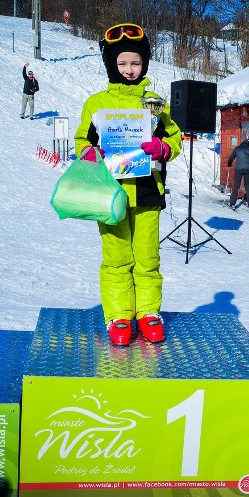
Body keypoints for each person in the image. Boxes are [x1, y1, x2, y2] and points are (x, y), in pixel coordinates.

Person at [74, 23, 182, 347]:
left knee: (148, 257)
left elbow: (173, 137)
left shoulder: (155, 103)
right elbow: (82, 141)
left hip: (148, 190)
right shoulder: (96, 104)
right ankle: (119, 315)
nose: (129, 69)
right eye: (122, 63)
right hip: (111, 193)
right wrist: (91, 152)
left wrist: (163, 148)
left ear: (144, 63)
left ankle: (148, 311)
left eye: (135, 62)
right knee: (117, 257)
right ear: (111, 65)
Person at [227, 138, 249, 211]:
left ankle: (232, 204)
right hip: (248, 170)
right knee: (247, 186)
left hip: (238, 169)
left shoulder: (237, 149)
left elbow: (231, 157)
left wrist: (229, 163)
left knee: (236, 186)